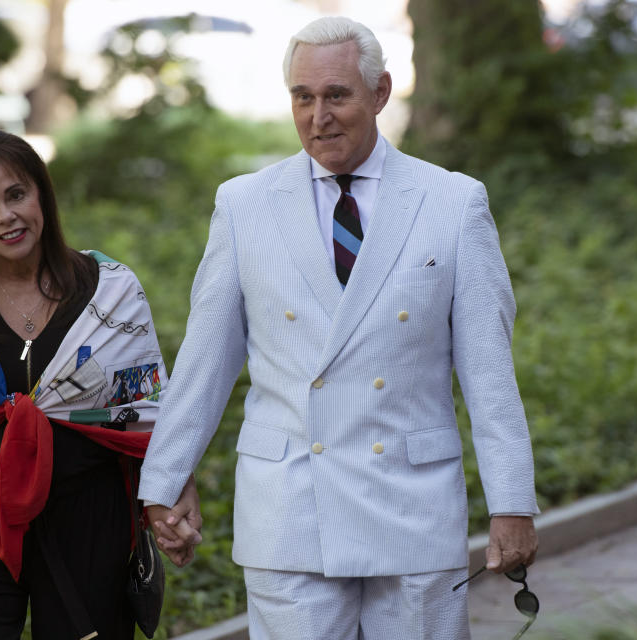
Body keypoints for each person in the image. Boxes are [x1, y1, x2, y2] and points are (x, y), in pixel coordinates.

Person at [138, 16, 539, 640]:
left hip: (413, 507)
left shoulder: (454, 203)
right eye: (303, 97)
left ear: (379, 93)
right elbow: (205, 360)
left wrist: (512, 505)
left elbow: (490, 372)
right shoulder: (244, 205)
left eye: (337, 96)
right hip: (292, 508)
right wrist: (164, 482)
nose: (318, 115)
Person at [0, 130, 183, 639]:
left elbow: (148, 411)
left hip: (88, 509)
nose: (6, 217)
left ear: (42, 194)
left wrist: (169, 494)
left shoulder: (112, 293)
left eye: (16, 194)